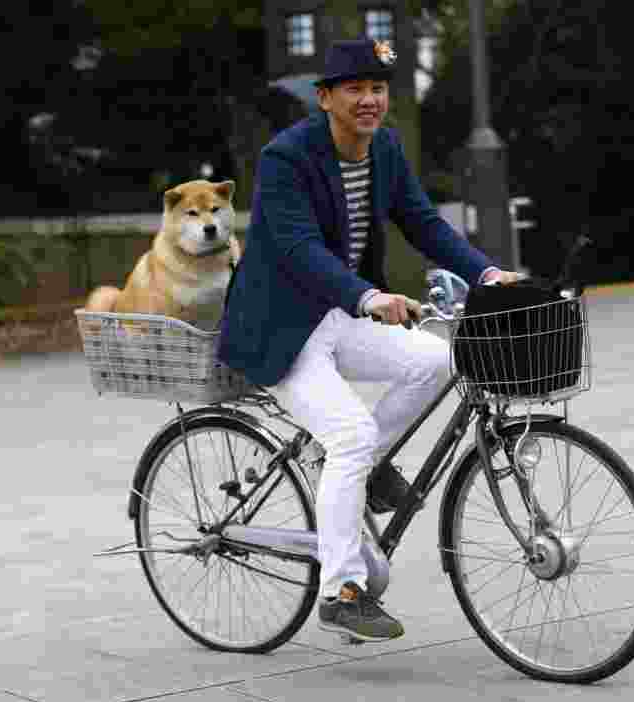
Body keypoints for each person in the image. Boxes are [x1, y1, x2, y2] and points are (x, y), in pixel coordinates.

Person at [217, 38, 522, 642]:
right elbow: (300, 249)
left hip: (337, 314)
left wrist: (485, 271)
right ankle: (341, 591)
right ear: (324, 98)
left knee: (439, 359)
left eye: (377, 88)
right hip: (281, 326)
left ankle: (366, 465)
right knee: (350, 435)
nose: (369, 100)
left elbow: (424, 222)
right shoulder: (286, 159)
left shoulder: (382, 148)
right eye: (353, 88)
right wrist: (368, 297)